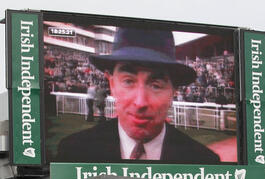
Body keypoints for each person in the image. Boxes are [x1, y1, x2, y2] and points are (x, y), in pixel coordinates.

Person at [56, 28, 220, 164]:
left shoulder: (204, 162)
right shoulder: (73, 152)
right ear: (111, 84)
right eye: (128, 81)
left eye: (155, 85)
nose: (140, 102)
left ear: (173, 91)